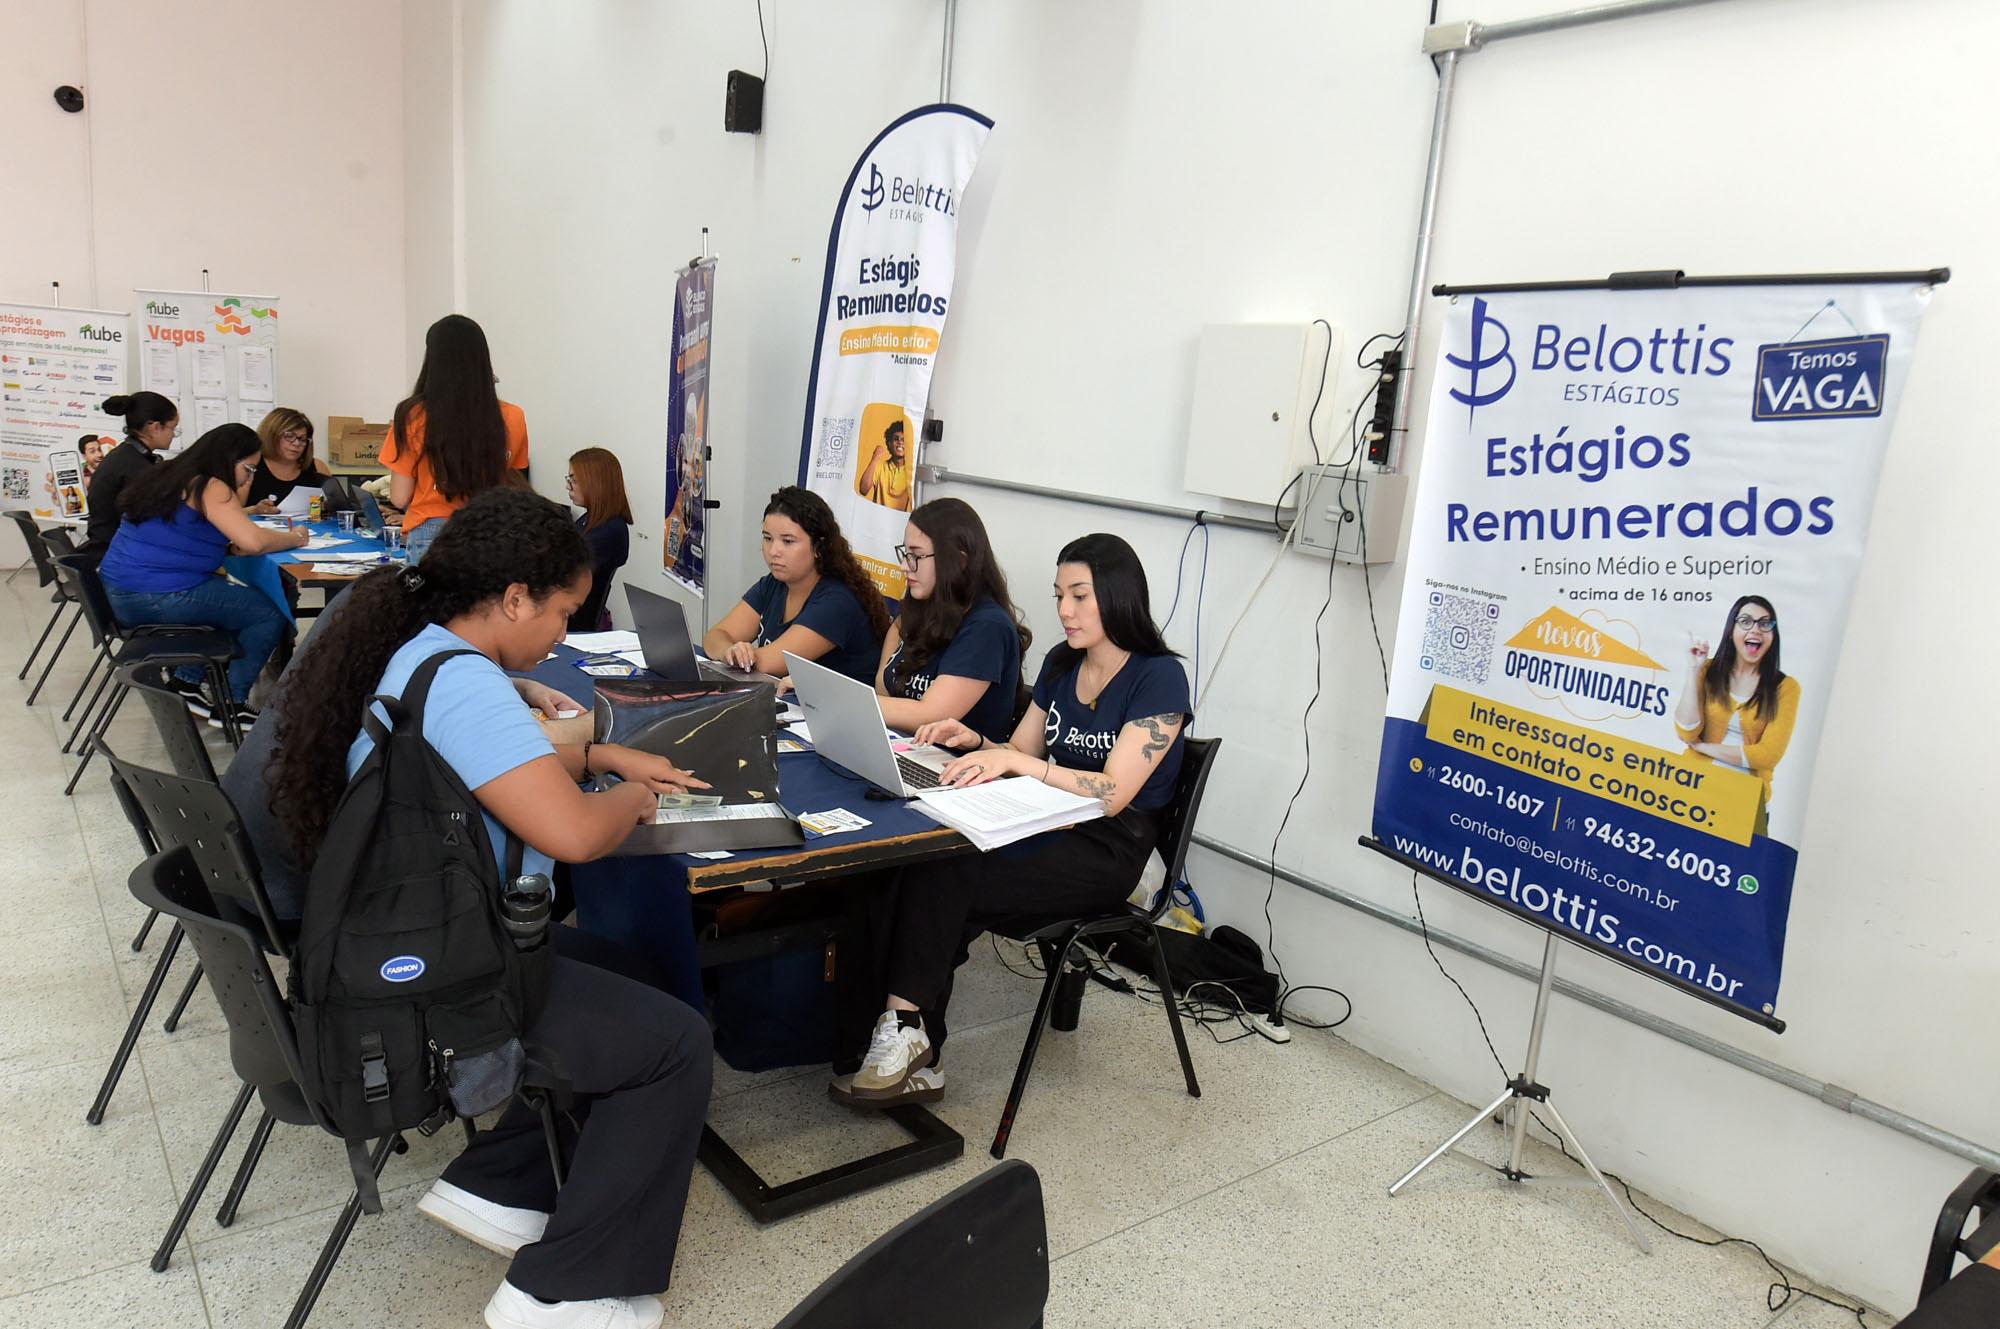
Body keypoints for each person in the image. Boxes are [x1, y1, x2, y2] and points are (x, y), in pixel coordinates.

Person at [264, 487, 712, 1329]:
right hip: (445, 980)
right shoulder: (467, 683)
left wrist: (600, 756)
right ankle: (562, 1290)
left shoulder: (425, 651)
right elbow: (574, 834)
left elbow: (494, 767)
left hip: (413, 940)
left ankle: (502, 1184)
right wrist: (634, 799)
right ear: (513, 598)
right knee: (675, 1043)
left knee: (635, 975)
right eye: (562, 614)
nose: (563, 636)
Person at [835, 533, 1189, 1105]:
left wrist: (1021, 764)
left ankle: (905, 1034)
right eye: (1059, 596)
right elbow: (1020, 749)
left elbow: (1113, 793)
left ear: (1119, 597)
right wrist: (976, 742)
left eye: (1080, 596)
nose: (1065, 610)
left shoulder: (1159, 677)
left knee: (944, 873)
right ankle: (899, 1036)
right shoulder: (1062, 663)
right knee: (916, 860)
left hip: (1106, 849)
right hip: (1041, 821)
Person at [96, 424, 307, 725]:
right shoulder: (211, 486)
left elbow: (186, 531)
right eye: (248, 469)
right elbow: (254, 542)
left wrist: (232, 545)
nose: (249, 478)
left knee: (231, 599)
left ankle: (186, 682)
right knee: (266, 612)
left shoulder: (171, 473)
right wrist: (296, 538)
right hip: (155, 596)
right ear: (227, 459)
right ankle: (231, 704)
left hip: (123, 592)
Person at [875, 497, 1028, 743]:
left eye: (916, 556)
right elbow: (884, 687)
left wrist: (849, 701)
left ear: (960, 560)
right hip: (903, 748)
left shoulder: (988, 627)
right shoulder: (917, 608)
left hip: (954, 761)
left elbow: (931, 715)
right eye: (905, 553)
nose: (905, 566)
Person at [380, 314, 529, 564]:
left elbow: (399, 497)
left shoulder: (412, 414)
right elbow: (513, 484)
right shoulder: (513, 416)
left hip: (432, 534)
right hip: (491, 533)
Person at [702, 485, 889, 682]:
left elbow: (767, 665)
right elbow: (715, 636)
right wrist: (728, 651)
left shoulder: (838, 601)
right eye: (768, 538)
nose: (773, 551)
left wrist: (738, 656)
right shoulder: (774, 583)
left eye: (788, 541)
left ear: (818, 547)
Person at [1674, 594, 1800, 800]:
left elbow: (1768, 755)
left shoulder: (1785, 687)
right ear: (1732, 630)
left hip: (1745, 800)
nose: (1756, 629)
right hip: (1692, 787)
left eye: (1765, 623)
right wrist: (1694, 670)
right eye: (1746, 621)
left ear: (1773, 635)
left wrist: (1703, 747)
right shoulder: (1707, 670)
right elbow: (1686, 732)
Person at [84, 392, 179, 552]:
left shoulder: (124, 454)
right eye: (173, 428)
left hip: (106, 544)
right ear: (155, 428)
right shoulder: (136, 467)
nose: (173, 435)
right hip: (117, 549)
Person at [564, 447, 632, 632]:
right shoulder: (591, 520)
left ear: (595, 483)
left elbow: (562, 570)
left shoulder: (610, 530)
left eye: (574, 480)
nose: (568, 486)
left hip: (573, 623)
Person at [244, 407, 330, 517]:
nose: (296, 444)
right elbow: (230, 512)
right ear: (272, 435)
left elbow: (336, 510)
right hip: (256, 527)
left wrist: (324, 509)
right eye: (289, 436)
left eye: (303, 439)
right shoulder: (251, 466)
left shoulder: (318, 467)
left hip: (309, 527)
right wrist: (254, 510)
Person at [857, 418, 913, 512]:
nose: (900, 442)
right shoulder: (879, 466)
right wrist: (875, 458)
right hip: (878, 517)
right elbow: (863, 490)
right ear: (889, 444)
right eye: (896, 439)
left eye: (904, 440)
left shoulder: (912, 471)